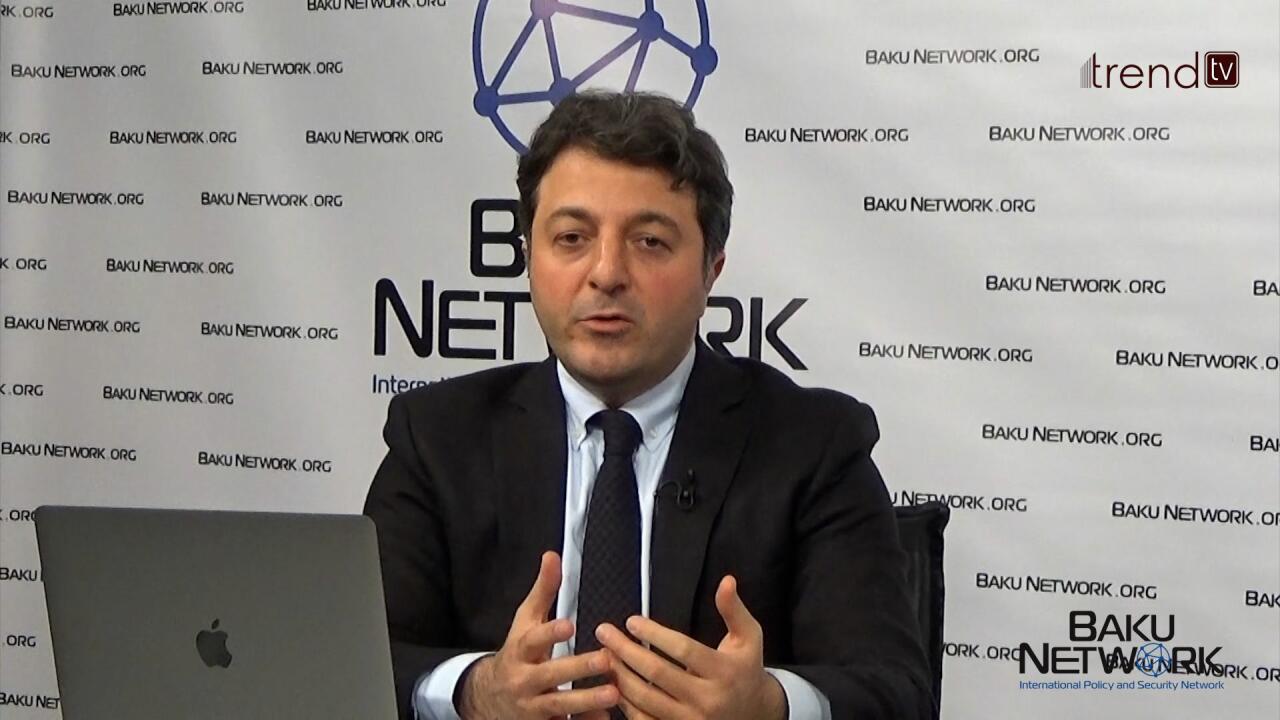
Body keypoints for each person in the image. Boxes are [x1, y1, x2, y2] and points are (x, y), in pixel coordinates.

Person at [364, 90, 932, 720]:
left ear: (712, 270)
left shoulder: (814, 445)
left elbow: (896, 692)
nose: (607, 273)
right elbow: (352, 660)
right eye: (572, 237)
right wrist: (475, 692)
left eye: (651, 242)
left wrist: (768, 705)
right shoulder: (437, 438)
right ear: (527, 258)